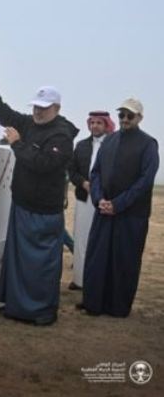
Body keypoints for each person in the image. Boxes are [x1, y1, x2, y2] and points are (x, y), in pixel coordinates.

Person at [0, 81, 78, 325]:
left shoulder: (62, 136)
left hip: (45, 212)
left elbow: (43, 164)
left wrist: (16, 144)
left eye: (43, 108)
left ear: (56, 107)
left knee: (42, 266)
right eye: (36, 106)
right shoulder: (29, 124)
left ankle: (41, 312)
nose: (37, 112)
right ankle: (18, 308)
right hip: (23, 205)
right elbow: (7, 116)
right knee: (20, 264)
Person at [77, 98, 159, 317]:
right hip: (104, 210)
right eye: (121, 115)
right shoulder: (110, 141)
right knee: (98, 258)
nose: (125, 119)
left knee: (124, 261)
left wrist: (119, 204)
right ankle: (94, 303)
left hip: (131, 215)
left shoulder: (148, 144)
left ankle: (117, 307)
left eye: (129, 116)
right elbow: (95, 173)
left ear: (139, 118)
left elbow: (145, 180)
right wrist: (99, 199)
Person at [68, 111, 115, 290]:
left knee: (101, 240)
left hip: (105, 200)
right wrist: (83, 183)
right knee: (81, 238)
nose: (95, 126)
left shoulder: (113, 145)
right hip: (84, 198)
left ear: (106, 125)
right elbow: (71, 170)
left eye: (99, 123)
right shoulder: (81, 146)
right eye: (92, 123)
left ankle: (99, 282)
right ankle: (79, 280)